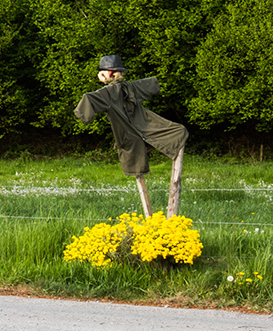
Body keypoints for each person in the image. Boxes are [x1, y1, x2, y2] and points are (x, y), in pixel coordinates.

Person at [73, 54, 188, 216]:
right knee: (178, 132)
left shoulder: (109, 92)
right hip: (145, 129)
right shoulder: (129, 87)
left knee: (143, 152)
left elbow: (89, 99)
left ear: (110, 73)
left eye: (103, 72)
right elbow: (152, 83)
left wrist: (80, 114)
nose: (100, 75)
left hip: (132, 134)